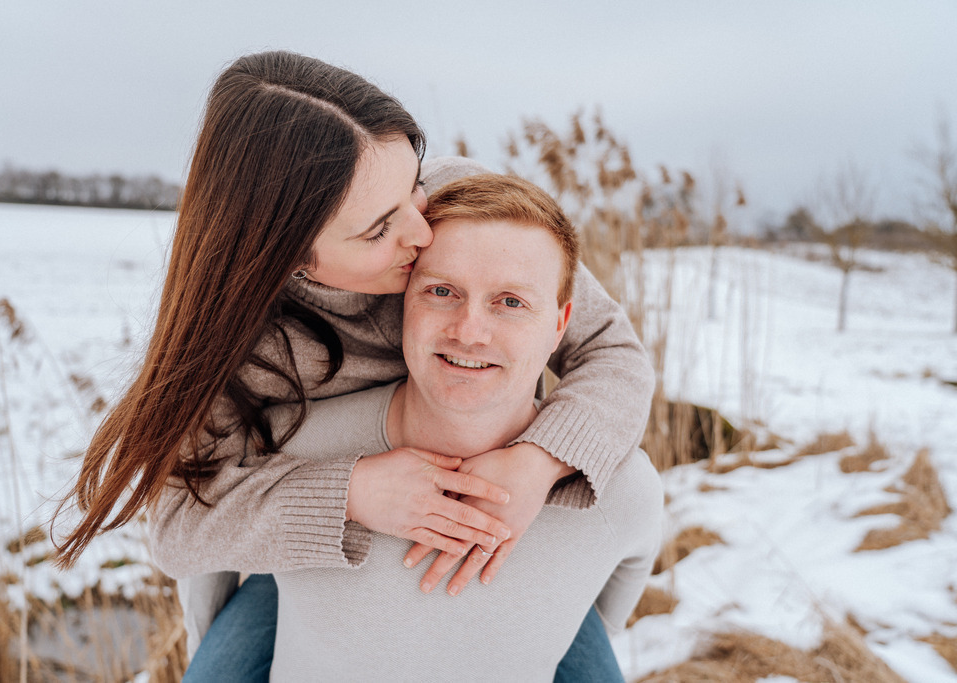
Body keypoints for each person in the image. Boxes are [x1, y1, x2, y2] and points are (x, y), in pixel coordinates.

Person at [50, 50, 654, 677]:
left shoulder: (468, 215)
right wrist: (353, 492)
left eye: (412, 185)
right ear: (291, 258)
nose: (424, 232)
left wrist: (537, 464)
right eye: (379, 229)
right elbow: (179, 529)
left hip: (512, 541)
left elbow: (614, 353)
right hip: (320, 562)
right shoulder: (242, 347)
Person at [180, 173, 663, 681]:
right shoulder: (280, 431)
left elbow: (620, 575)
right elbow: (193, 537)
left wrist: (541, 471)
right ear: (403, 301)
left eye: (511, 302)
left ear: (560, 325)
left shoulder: (616, 489)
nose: (470, 332)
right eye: (441, 291)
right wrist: (348, 492)